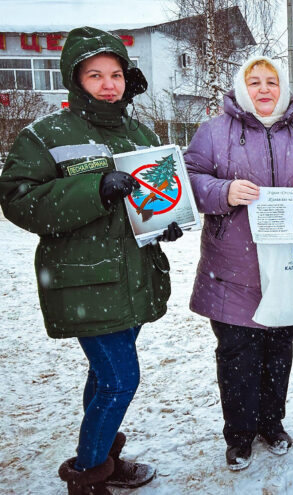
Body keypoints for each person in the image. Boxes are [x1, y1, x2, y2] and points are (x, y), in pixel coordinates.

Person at [0, 26, 183, 495]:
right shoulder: (46, 135)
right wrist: (93, 189)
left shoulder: (140, 133)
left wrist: (165, 222)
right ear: (75, 79)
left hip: (133, 277)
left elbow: (153, 196)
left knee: (104, 377)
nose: (108, 84)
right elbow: (18, 200)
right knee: (120, 381)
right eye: (95, 75)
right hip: (85, 282)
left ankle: (102, 457)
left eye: (116, 74)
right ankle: (87, 475)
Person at [184, 55, 293, 472]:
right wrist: (223, 191)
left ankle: (272, 424)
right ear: (242, 88)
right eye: (254, 82)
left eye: (271, 82)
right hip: (233, 270)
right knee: (237, 356)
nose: (263, 89)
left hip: (290, 269)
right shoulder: (214, 132)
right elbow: (187, 179)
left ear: (283, 88)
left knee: (278, 353)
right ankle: (239, 436)